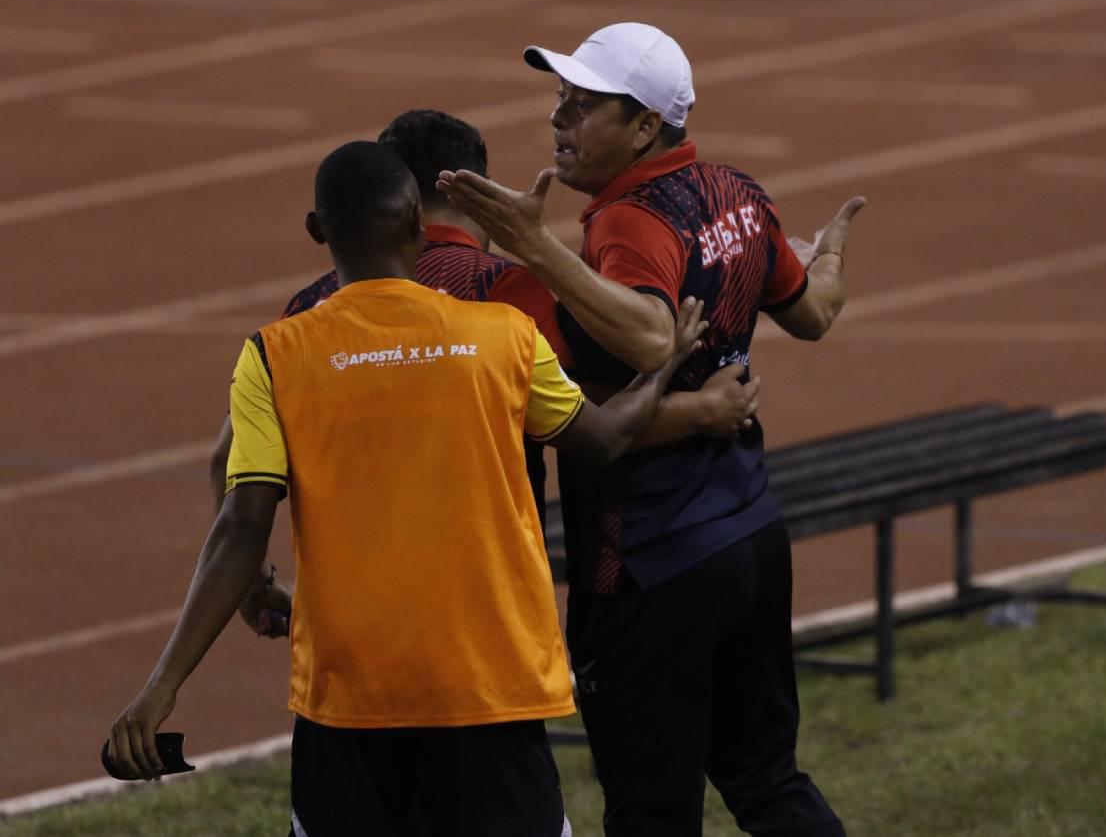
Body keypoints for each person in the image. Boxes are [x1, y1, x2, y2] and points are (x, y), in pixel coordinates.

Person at [106, 141, 709, 837]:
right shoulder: (504, 336)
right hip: (492, 687)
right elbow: (602, 441)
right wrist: (658, 373)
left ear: (316, 231)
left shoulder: (275, 354)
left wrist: (162, 688)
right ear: (419, 221)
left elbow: (241, 527)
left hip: (352, 700)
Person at [439, 22, 863, 837]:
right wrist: (833, 261)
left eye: (585, 105)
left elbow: (648, 336)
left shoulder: (626, 222)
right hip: (750, 532)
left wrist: (534, 245)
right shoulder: (735, 191)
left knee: (649, 809)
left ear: (643, 128)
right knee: (768, 779)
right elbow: (809, 314)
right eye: (560, 99)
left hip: (650, 557)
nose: (560, 120)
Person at [210, 109, 760, 637]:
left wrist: (254, 584)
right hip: (488, 618)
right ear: (473, 190)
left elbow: (227, 461)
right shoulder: (509, 296)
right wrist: (700, 408)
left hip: (350, 625)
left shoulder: (301, 317)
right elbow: (599, 426)